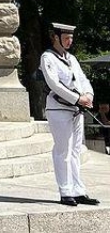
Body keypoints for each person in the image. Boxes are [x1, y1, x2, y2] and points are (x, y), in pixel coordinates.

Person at [39, 21, 100, 206]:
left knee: (75, 151)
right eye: (65, 38)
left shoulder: (71, 58)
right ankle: (65, 191)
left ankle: (78, 190)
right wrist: (77, 98)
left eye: (71, 38)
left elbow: (82, 79)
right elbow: (54, 84)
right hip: (59, 109)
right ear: (55, 37)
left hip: (76, 110)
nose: (69, 41)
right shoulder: (47, 58)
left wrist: (88, 95)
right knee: (62, 150)